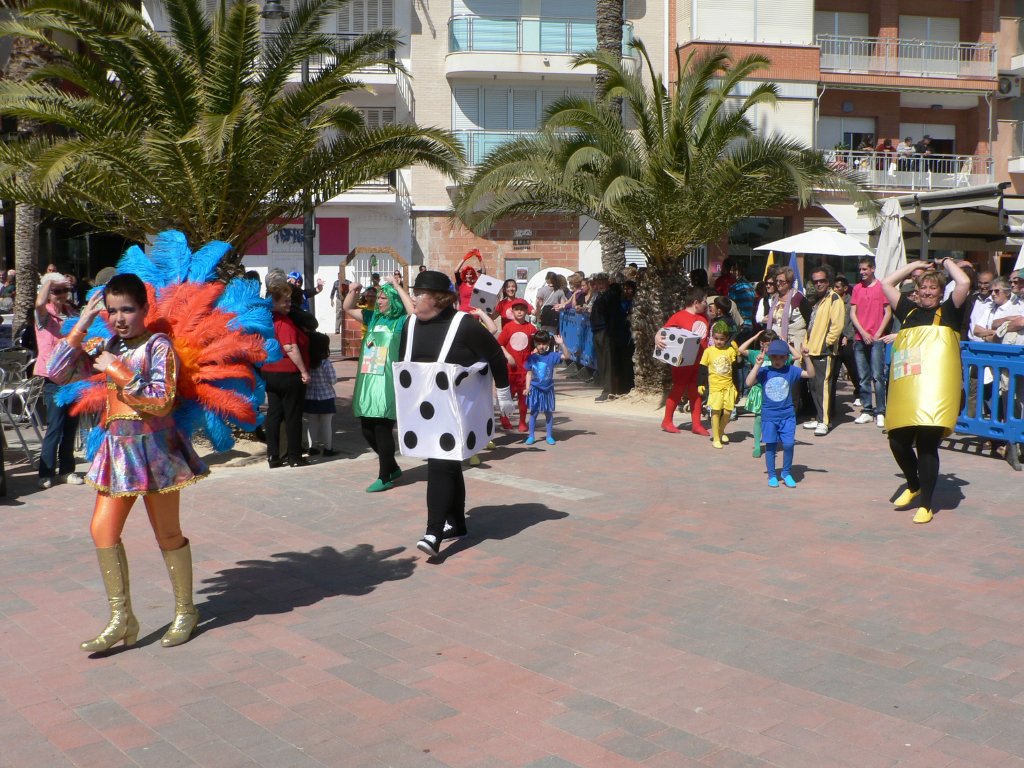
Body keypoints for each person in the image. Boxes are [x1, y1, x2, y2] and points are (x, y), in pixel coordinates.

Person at [47, 274, 208, 650]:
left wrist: (116, 368)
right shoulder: (107, 343)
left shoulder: (158, 346)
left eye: (128, 310)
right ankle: (122, 618)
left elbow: (161, 400)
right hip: (117, 452)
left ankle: (186, 610)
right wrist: (82, 326)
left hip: (157, 451)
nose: (119, 318)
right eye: (112, 310)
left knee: (167, 533)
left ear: (144, 309)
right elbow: (55, 373)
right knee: (101, 531)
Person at [398, 271, 512, 559]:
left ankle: (433, 531)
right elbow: (406, 369)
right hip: (423, 413)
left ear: (437, 299)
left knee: (439, 464)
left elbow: (496, 356)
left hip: (456, 411)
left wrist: (505, 395)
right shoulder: (409, 324)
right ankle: (458, 524)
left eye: (419, 293)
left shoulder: (464, 326)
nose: (413, 297)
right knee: (447, 466)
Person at [880, 258, 970, 524]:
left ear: (941, 292)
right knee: (897, 440)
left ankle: (926, 504)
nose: (928, 292)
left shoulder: (949, 311)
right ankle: (913, 483)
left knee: (928, 445)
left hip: (936, 390)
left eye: (933, 288)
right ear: (916, 291)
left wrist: (945, 261)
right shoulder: (907, 311)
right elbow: (886, 283)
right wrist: (914, 266)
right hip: (908, 387)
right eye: (923, 288)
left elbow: (963, 281)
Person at [344, 278, 414, 492]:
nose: (379, 301)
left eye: (384, 298)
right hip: (368, 378)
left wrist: (398, 287)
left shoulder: (402, 321)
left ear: (393, 300)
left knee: (383, 428)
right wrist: (353, 291)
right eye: (379, 297)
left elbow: (413, 311)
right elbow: (347, 307)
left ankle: (385, 476)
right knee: (366, 428)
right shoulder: (372, 317)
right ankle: (392, 467)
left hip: (387, 380)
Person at [34, 272, 85, 489]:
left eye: (64, 290)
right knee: (55, 426)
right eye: (56, 291)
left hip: (74, 376)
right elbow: (38, 303)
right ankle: (45, 473)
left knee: (71, 427)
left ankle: (67, 470)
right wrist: (48, 282)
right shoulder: (44, 315)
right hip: (53, 377)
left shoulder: (72, 312)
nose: (61, 295)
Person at [746, 338, 815, 488]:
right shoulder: (764, 371)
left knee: (789, 444)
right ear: (769, 357)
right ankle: (772, 475)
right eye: (774, 357)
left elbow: (810, 374)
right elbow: (748, 382)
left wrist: (807, 357)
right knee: (770, 446)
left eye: (781, 357)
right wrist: (757, 365)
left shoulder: (791, 370)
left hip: (787, 415)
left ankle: (786, 472)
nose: (778, 360)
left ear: (786, 357)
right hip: (769, 416)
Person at [263, 283, 310, 468]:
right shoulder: (283, 322)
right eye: (285, 301)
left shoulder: (266, 319)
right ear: (274, 302)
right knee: (292, 415)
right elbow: (291, 348)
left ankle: (273, 456)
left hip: (270, 372)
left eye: (290, 300)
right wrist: (304, 371)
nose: (288, 304)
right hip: (287, 373)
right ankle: (294, 456)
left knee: (274, 414)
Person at [657, 287, 710, 435]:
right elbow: (663, 331)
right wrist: (657, 338)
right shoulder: (679, 316)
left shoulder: (704, 317)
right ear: (696, 302)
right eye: (704, 301)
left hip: (699, 361)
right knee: (679, 389)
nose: (706, 304)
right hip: (683, 362)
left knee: (696, 392)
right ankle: (667, 421)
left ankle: (696, 424)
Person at [802, 265, 845, 437]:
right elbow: (811, 326)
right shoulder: (818, 300)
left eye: (822, 281)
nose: (819, 284)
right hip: (812, 351)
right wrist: (806, 343)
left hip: (824, 351)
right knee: (814, 386)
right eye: (816, 281)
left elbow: (837, 325)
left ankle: (824, 421)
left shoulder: (834, 299)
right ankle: (819, 417)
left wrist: (827, 343)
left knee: (823, 386)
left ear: (829, 282)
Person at [850, 256, 891, 428]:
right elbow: (853, 312)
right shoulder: (857, 288)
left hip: (876, 338)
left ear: (873, 269)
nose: (862, 272)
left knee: (877, 376)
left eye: (865, 269)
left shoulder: (881, 287)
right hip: (860, 338)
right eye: (860, 270)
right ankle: (867, 409)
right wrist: (862, 332)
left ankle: (881, 411)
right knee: (863, 376)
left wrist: (877, 333)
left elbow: (887, 312)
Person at [496, 298, 537, 432]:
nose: (519, 312)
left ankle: (522, 421)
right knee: (508, 397)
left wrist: (534, 354)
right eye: (517, 309)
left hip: (524, 370)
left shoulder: (531, 328)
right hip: (510, 370)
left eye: (522, 309)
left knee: (523, 398)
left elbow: (536, 345)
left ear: (526, 311)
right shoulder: (508, 327)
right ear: (512, 311)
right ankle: (504, 417)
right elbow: (500, 343)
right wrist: (507, 356)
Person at [523, 330, 570, 445]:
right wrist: (527, 387)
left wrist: (561, 344)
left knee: (548, 413)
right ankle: (531, 436)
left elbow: (567, 356)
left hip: (548, 389)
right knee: (533, 413)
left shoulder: (552, 356)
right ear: (535, 343)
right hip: (535, 389)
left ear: (548, 344)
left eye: (544, 344)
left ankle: (549, 436)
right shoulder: (532, 358)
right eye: (538, 344)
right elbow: (528, 373)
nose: (541, 346)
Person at [698, 320, 738, 449]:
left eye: (722, 339)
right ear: (712, 338)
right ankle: (716, 437)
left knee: (727, 412)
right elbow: (703, 369)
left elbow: (736, 370)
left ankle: (720, 431)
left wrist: (738, 353)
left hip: (728, 386)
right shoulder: (708, 351)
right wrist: (700, 384)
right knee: (715, 412)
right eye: (716, 338)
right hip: (715, 387)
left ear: (726, 338)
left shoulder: (730, 351)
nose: (719, 341)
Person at [833, 275, 861, 403]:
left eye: (838, 287)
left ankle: (859, 392)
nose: (835, 289)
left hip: (849, 340)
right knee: (834, 371)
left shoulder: (851, 302)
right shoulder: (833, 301)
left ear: (845, 288)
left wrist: (847, 336)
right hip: (836, 340)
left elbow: (853, 322)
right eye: (834, 286)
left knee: (853, 369)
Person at [302, 356, 337, 457]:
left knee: (312, 423)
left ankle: (312, 448)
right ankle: (328, 449)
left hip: (310, 396)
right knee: (326, 424)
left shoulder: (307, 362)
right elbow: (333, 380)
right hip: (326, 396)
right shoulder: (325, 362)